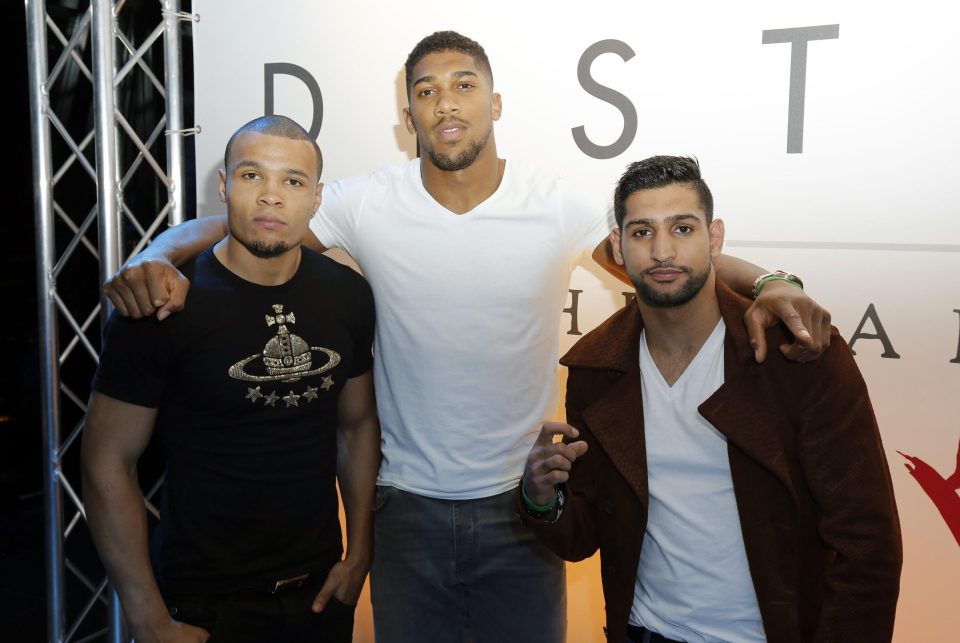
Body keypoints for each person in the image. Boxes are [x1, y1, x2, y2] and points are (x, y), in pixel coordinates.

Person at [101, 33, 833, 643]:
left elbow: (666, 254)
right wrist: (152, 257)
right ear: (408, 116)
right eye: (425, 90)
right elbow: (241, 224)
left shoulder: (555, 202)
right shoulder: (364, 201)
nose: (444, 102)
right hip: (405, 510)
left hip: (523, 506)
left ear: (495, 103)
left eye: (462, 84)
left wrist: (771, 282)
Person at [519, 156, 902, 643]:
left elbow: (868, 544)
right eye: (641, 232)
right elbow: (586, 533)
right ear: (617, 246)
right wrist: (540, 497)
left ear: (715, 238)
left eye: (682, 228)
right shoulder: (597, 368)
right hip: (645, 633)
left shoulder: (798, 355)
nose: (662, 251)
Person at [82, 115, 380, 642]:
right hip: (202, 606)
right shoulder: (164, 302)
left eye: (292, 181)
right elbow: (108, 461)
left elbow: (355, 428)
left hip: (318, 596)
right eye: (251, 176)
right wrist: (147, 617)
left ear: (316, 199)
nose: (271, 197)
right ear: (223, 185)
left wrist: (359, 554)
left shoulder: (347, 295)